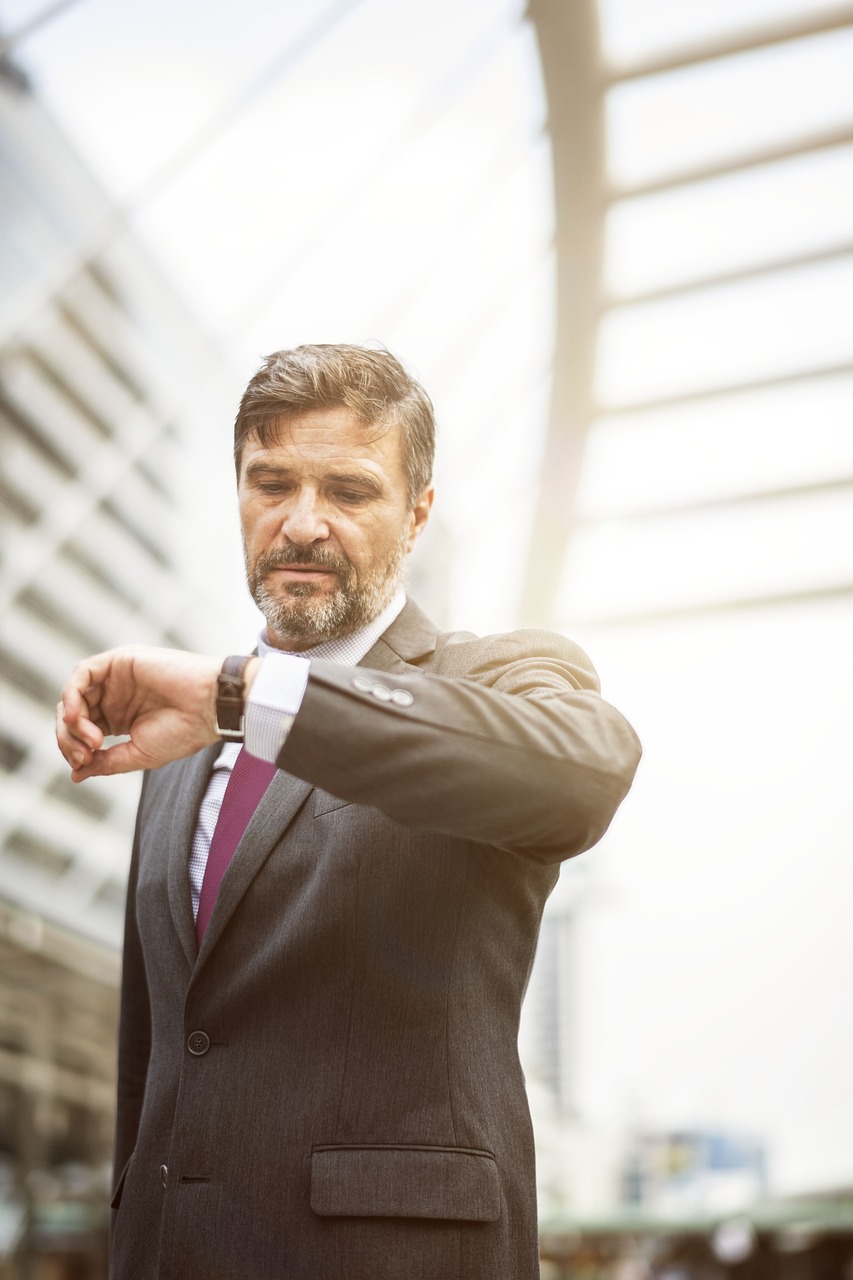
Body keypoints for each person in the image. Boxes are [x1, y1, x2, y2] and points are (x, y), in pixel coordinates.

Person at [56, 344, 641, 1280]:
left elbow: (581, 771)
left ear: (417, 517)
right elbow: (157, 1056)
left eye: (351, 492)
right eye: (270, 482)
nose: (302, 523)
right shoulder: (177, 756)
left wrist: (246, 698)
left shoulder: (492, 679)